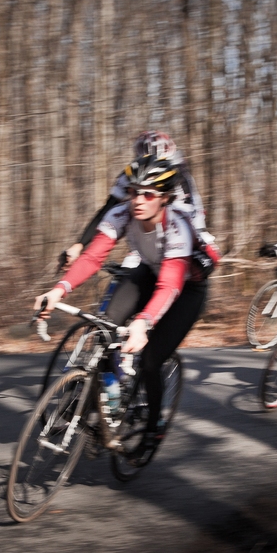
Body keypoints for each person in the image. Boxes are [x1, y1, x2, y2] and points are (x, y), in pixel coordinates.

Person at [37, 153, 208, 464]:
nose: (137, 200)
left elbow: (170, 284)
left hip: (186, 290)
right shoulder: (123, 214)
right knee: (103, 326)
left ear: (165, 199)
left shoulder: (177, 227)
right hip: (148, 272)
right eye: (132, 191)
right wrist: (58, 289)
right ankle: (101, 403)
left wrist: (144, 321)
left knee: (152, 361)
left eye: (147, 194)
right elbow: (91, 258)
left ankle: (152, 429)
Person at [60, 131, 214, 270]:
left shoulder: (179, 177)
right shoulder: (131, 175)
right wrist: (79, 245)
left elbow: (191, 218)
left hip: (183, 236)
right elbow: (107, 211)